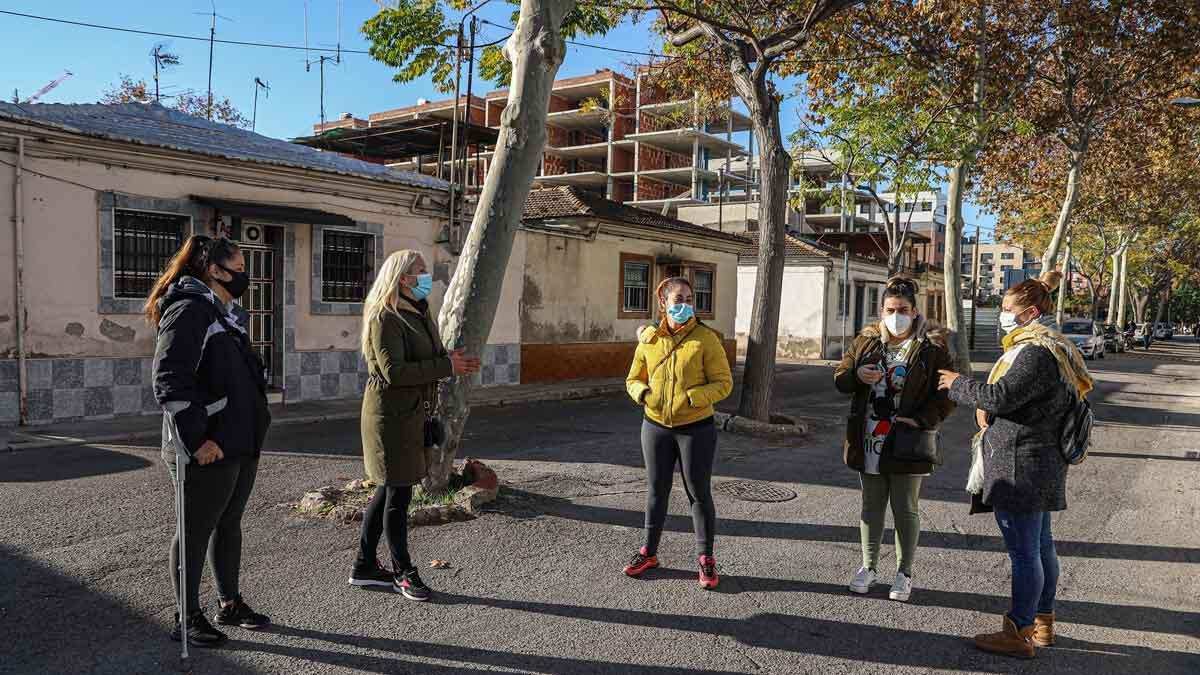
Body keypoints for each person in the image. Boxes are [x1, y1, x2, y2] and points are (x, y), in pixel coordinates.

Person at [937, 270, 1092, 659]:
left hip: (1022, 463)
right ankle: (1042, 624)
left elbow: (1002, 395)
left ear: (1030, 313)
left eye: (1007, 309)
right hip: (1036, 461)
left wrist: (957, 383)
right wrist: (988, 410)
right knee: (1040, 548)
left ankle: (1019, 631)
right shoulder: (1050, 347)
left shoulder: (1037, 351)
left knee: (1026, 553)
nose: (1002, 316)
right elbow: (1016, 400)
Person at [149, 234, 273, 648]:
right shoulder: (188, 310)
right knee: (194, 530)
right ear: (214, 271)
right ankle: (187, 617)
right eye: (238, 268)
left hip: (238, 440)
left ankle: (229, 603)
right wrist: (197, 440)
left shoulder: (224, 312)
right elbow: (169, 380)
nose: (244, 276)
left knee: (228, 524)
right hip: (205, 447)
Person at [349, 250, 480, 601]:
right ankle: (403, 572)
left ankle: (364, 566)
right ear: (402, 278)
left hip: (412, 415)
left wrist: (449, 361)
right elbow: (394, 373)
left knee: (390, 489)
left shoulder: (419, 313)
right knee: (398, 494)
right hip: (389, 418)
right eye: (420, 272)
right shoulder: (385, 317)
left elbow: (429, 359)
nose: (426, 277)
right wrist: (446, 367)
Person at [833, 277, 955, 603]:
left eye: (902, 309)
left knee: (905, 507)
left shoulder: (933, 348)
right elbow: (841, 378)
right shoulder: (867, 341)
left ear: (915, 311)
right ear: (881, 310)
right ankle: (868, 566)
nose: (896, 314)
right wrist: (856, 375)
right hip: (870, 436)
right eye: (890, 309)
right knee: (871, 506)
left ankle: (904, 572)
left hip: (908, 439)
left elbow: (948, 394)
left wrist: (921, 419)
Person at [623, 276, 733, 589]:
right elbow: (633, 378)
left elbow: (724, 383)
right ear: (664, 303)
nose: (684, 304)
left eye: (689, 298)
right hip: (655, 425)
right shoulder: (649, 339)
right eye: (678, 299)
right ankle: (649, 551)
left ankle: (706, 558)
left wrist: (692, 398)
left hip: (695, 428)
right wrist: (644, 394)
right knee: (656, 490)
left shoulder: (705, 339)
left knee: (698, 493)